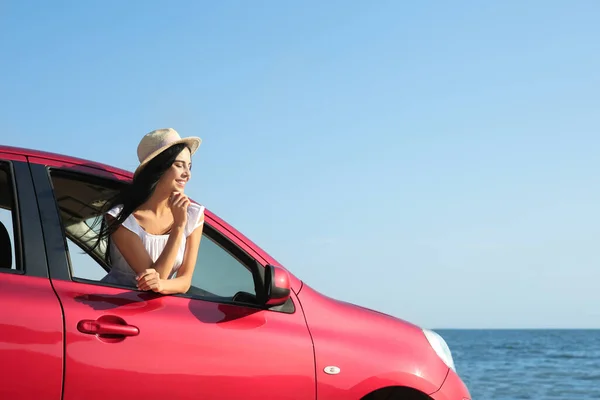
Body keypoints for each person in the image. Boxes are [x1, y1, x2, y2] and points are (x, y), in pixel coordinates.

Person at [94, 128, 205, 295]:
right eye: (179, 165)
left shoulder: (193, 214)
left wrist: (162, 285)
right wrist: (178, 226)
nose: (187, 174)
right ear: (158, 168)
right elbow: (153, 281)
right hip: (115, 307)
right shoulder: (122, 219)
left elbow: (184, 281)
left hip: (157, 311)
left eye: (189, 166)